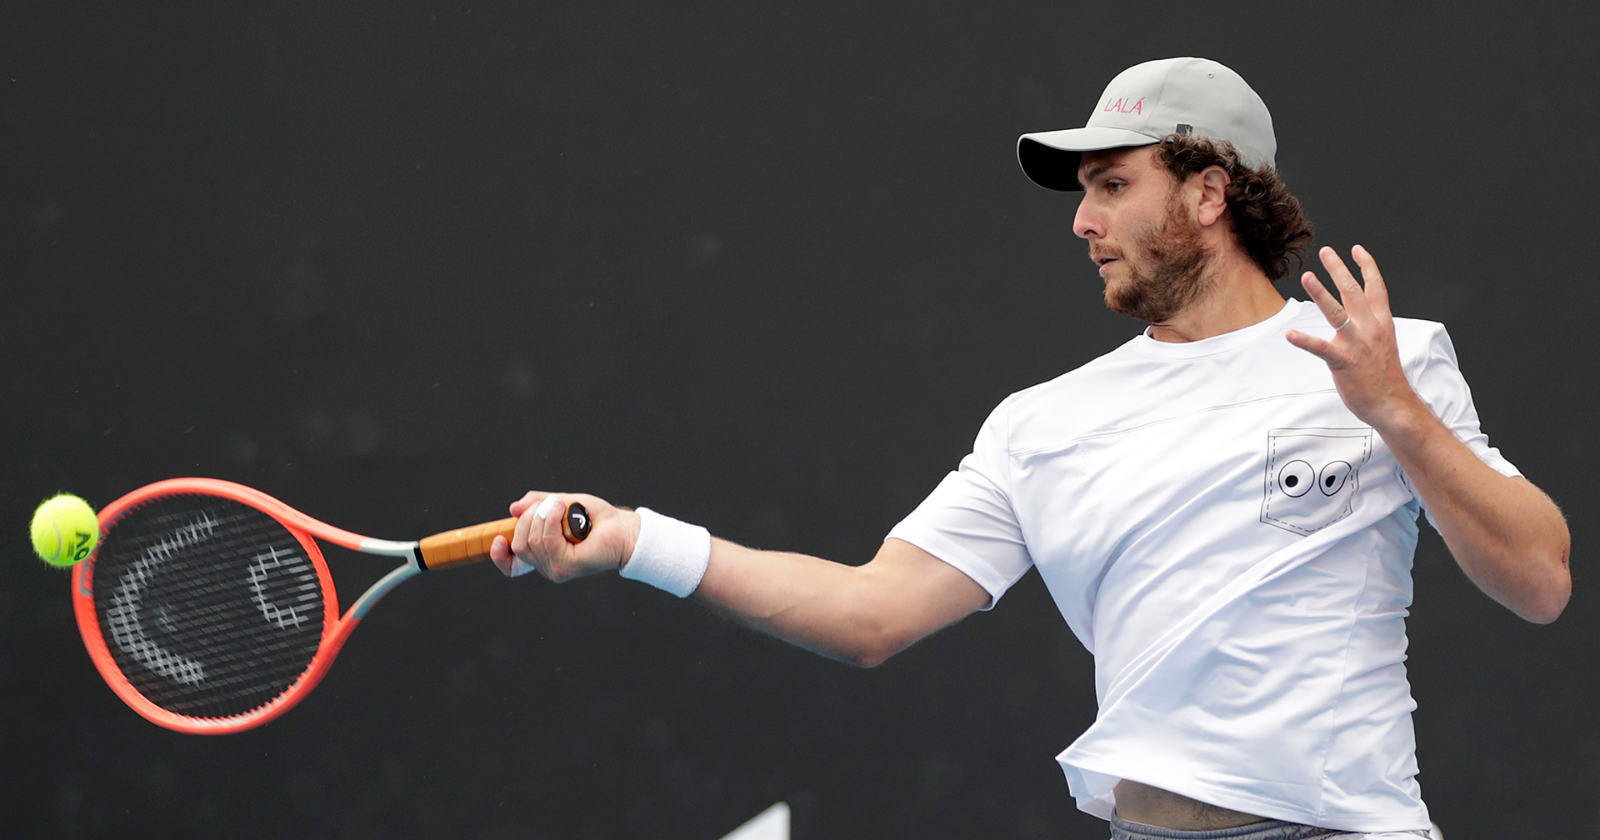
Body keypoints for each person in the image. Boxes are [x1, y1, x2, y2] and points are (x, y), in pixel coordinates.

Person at [488, 57, 1570, 840]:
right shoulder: (1041, 425)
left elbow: (1538, 580)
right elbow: (869, 614)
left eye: (1113, 185)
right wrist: (636, 540)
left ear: (1209, 192)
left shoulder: (1384, 359)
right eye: (1083, 193)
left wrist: (1395, 413)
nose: (1082, 221)